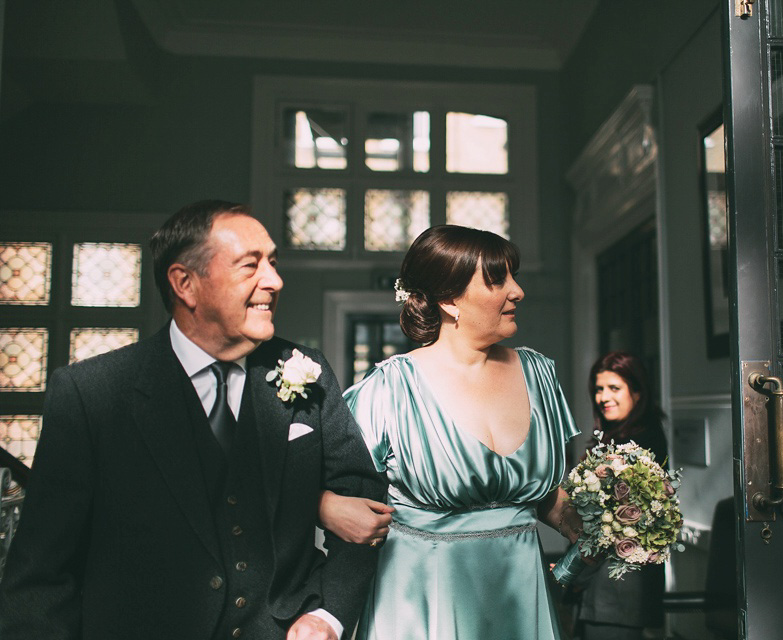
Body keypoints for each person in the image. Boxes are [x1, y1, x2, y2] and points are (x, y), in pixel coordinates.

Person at [0, 201, 386, 640]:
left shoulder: (307, 370)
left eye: (273, 263)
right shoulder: (91, 393)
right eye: (250, 265)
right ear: (185, 283)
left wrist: (328, 615)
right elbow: (42, 574)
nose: (274, 281)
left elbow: (365, 508)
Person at [318, 225, 583, 640]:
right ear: (449, 300)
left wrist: (599, 518)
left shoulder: (539, 376)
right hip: (423, 598)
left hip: (519, 594)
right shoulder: (389, 390)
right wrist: (323, 504)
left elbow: (540, 497)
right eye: (498, 279)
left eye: (515, 276)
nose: (518, 291)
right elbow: (323, 489)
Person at [574, 351, 668, 640]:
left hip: (619, 586)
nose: (603, 397)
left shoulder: (643, 443)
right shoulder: (615, 437)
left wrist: (575, 565)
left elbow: (620, 520)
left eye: (614, 388)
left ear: (637, 393)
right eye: (599, 389)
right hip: (607, 583)